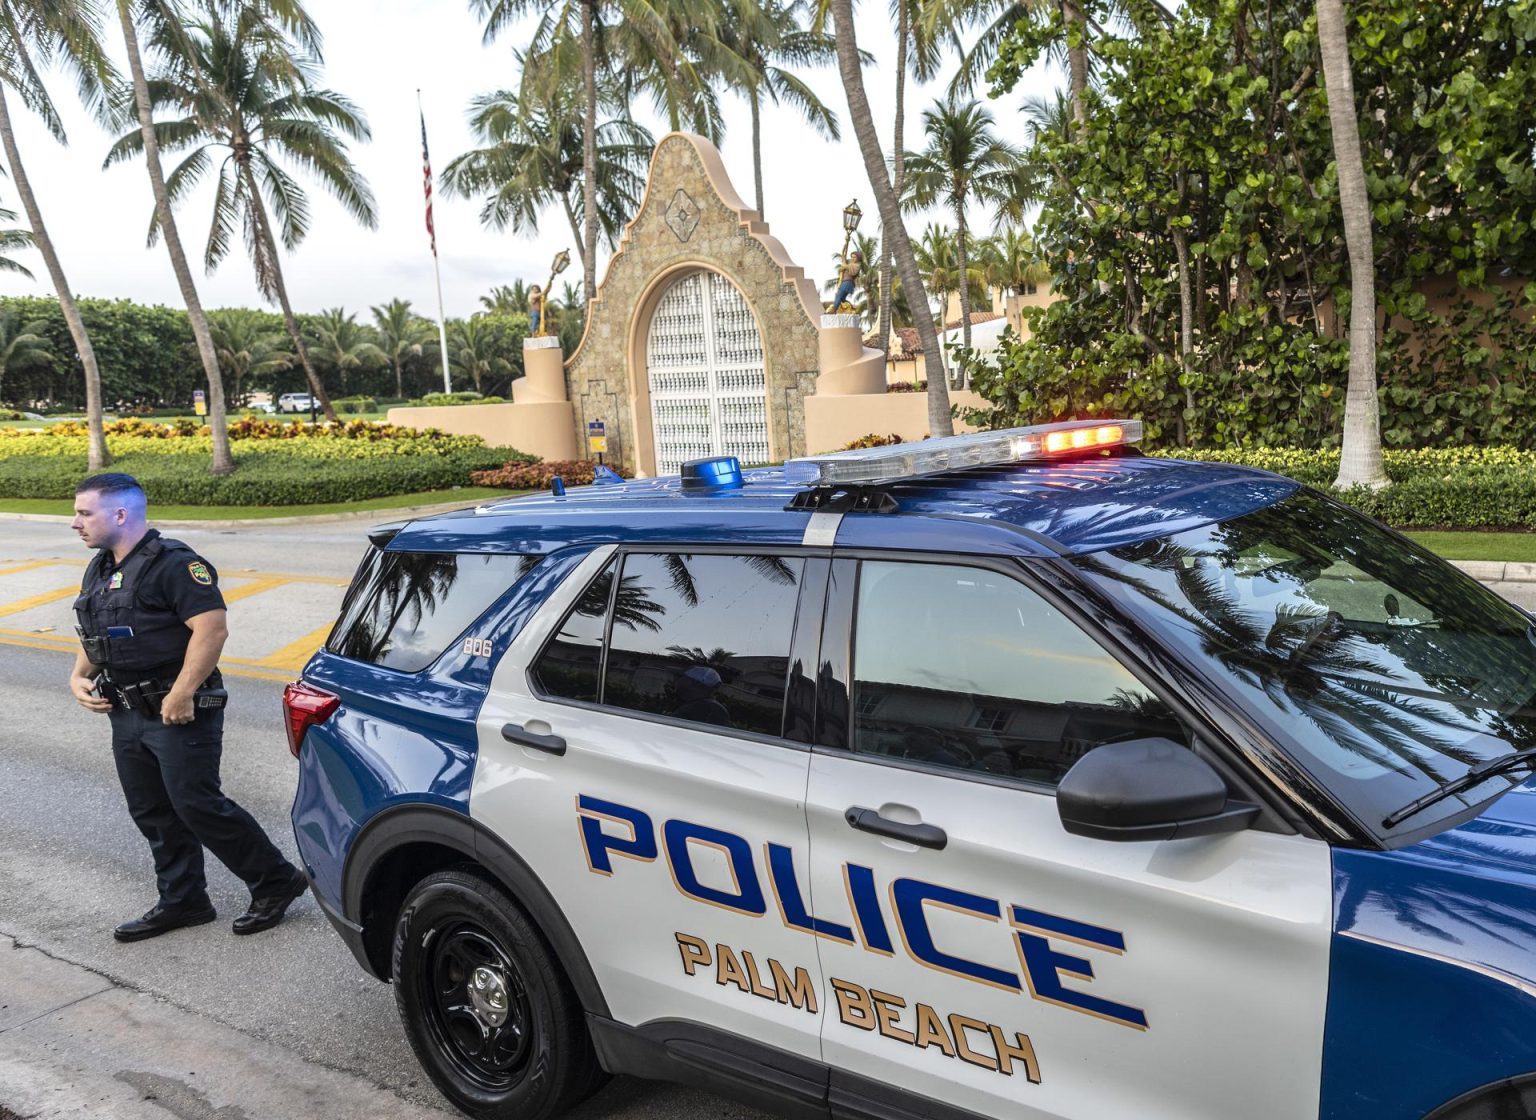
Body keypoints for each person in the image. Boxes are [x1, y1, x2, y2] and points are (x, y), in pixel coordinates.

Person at [68, 473, 306, 942]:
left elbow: (211, 629)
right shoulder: (101, 566)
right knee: (152, 809)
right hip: (126, 709)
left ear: (120, 514)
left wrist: (181, 692)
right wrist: (80, 674)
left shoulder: (175, 564)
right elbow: (98, 631)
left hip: (178, 709)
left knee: (197, 804)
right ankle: (184, 901)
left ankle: (276, 881)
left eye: (83, 513)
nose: (75, 523)